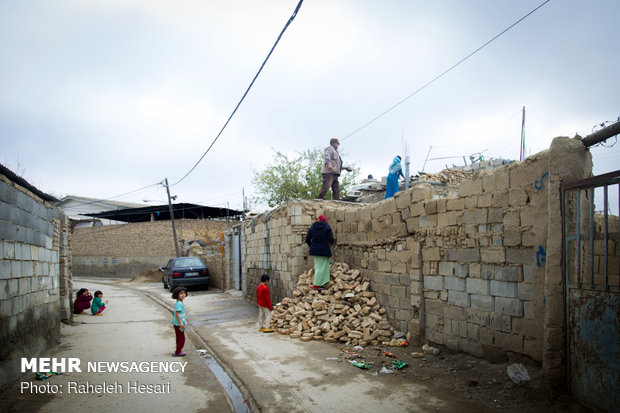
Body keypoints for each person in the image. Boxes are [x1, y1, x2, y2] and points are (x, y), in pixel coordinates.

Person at [305, 215, 335, 290]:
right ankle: (316, 285)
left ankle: (321, 284)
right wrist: (330, 243)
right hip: (324, 250)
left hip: (315, 251)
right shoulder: (327, 226)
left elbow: (307, 239)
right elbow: (331, 239)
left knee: (318, 266)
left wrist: (312, 246)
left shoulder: (313, 227)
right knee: (323, 268)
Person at [171, 287, 189, 357]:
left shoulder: (180, 302)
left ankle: (178, 350)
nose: (183, 295)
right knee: (181, 338)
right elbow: (177, 314)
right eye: (181, 293)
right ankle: (178, 352)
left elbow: (181, 314)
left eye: (184, 293)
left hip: (180, 323)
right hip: (178, 324)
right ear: (177, 295)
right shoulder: (178, 304)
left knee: (180, 338)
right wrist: (180, 323)